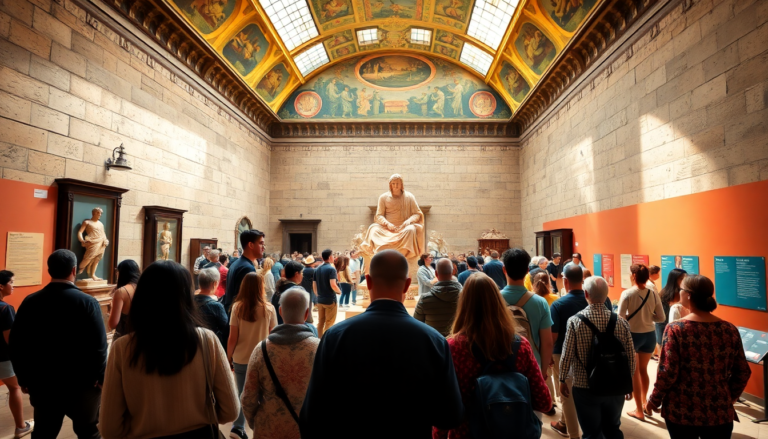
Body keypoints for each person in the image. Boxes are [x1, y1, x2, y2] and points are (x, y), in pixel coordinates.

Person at [300, 250, 463, 438]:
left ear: (368, 282)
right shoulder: (434, 341)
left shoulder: (335, 337)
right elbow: (451, 416)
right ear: (407, 285)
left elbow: (311, 415)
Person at [99, 260, 239, 438]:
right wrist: (201, 417)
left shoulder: (122, 348)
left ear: (143, 296)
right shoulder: (207, 340)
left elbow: (109, 429)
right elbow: (230, 411)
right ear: (186, 296)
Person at [433, 272, 552, 439]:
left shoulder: (453, 348)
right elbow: (544, 402)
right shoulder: (521, 346)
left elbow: (443, 407)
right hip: (512, 431)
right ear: (498, 303)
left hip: (467, 433)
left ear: (464, 305)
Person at [9, 250, 107, 439]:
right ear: (74, 270)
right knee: (88, 431)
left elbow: (16, 344)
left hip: (43, 382)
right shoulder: (88, 302)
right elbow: (99, 346)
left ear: (49, 270)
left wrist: (24, 378)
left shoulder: (30, 301)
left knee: (44, 432)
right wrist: (99, 377)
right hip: (82, 383)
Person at [646, 275, 751, 439]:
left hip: (682, 411)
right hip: (719, 412)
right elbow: (743, 371)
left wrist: (654, 400)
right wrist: (727, 398)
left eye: (681, 289)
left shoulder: (676, 329)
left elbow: (668, 371)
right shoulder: (729, 329)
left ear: (688, 295)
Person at [559, 276, 635, 439]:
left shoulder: (574, 321)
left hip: (585, 385)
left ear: (586, 293)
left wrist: (562, 379)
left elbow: (567, 354)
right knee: (613, 428)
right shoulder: (621, 322)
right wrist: (630, 382)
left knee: (591, 432)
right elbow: (630, 355)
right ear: (607, 295)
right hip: (615, 385)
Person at [242, 287, 320, 438]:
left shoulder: (261, 349)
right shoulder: (318, 348)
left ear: (281, 311)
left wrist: (257, 423)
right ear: (306, 313)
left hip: (269, 430)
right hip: (305, 429)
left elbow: (248, 398)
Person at [549, 265, 612, 439]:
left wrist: (548, 356)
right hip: (598, 352)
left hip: (563, 352)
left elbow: (553, 335)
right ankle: (567, 424)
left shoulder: (559, 304)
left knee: (566, 395)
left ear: (565, 281)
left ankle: (573, 434)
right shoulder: (602, 299)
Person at [227, 272, 278, 439]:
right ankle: (260, 426)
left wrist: (228, 357)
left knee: (242, 393)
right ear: (260, 287)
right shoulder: (268, 308)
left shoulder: (237, 307)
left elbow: (232, 337)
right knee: (263, 394)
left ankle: (237, 427)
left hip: (241, 357)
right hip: (262, 358)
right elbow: (272, 336)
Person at [617, 264, 665, 421]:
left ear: (634, 276)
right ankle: (645, 403)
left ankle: (638, 410)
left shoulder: (627, 293)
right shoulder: (652, 293)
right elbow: (661, 317)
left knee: (634, 372)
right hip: (649, 334)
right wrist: (648, 318)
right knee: (643, 370)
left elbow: (621, 317)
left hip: (633, 335)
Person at [500, 249, 554, 381]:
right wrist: (542, 371)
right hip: (532, 367)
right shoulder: (540, 302)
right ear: (528, 271)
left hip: (499, 367)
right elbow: (547, 342)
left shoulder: (493, 299)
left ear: (504, 270)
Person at [0, 270, 33, 437]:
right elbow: (10, 340)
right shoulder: (6, 309)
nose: (14, 286)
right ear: (1, 286)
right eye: (11, 282)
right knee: (14, 388)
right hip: (3, 358)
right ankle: (21, 426)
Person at [413, 258, 462, 337]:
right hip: (458, 345)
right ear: (453, 271)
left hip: (433, 345)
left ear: (436, 274)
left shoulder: (425, 299)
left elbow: (416, 325)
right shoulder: (466, 298)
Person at [223, 229, 265, 312]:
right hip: (241, 317)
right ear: (251, 245)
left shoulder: (236, 263)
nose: (264, 247)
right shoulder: (247, 268)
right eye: (261, 243)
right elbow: (247, 301)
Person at [654, 268, 687, 361]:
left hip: (682, 329)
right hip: (665, 327)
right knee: (665, 358)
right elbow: (661, 319)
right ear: (674, 280)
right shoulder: (664, 294)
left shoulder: (686, 293)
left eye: (685, 278)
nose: (684, 281)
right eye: (681, 279)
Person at [195, 267, 229, 348]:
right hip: (210, 346)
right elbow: (226, 330)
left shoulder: (188, 301)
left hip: (191, 344)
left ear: (199, 284)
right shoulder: (216, 306)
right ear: (214, 283)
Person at [107, 259, 140, 340]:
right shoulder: (145, 288)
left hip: (124, 340)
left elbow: (113, 324)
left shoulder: (121, 292)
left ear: (121, 273)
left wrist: (111, 309)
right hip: (141, 339)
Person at [313, 249, 341, 337]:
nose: (334, 257)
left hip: (320, 299)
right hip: (330, 299)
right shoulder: (331, 269)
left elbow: (314, 285)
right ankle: (326, 341)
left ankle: (319, 339)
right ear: (329, 257)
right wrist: (339, 291)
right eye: (333, 255)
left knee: (320, 322)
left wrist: (317, 295)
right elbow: (333, 285)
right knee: (329, 322)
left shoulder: (317, 269)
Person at [272, 261, 305, 325]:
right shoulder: (298, 291)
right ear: (296, 274)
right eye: (301, 273)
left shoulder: (279, 287)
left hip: (278, 326)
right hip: (291, 328)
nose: (302, 275)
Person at [301, 256, 317, 323]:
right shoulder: (313, 271)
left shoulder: (303, 270)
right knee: (309, 305)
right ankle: (308, 318)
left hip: (303, 288)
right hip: (309, 289)